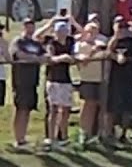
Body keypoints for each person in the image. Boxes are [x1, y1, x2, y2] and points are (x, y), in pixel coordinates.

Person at [38, 18, 77, 148]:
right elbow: (50, 58)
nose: (62, 33)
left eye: (64, 30)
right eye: (59, 31)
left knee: (66, 109)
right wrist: (62, 58)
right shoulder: (51, 43)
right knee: (53, 109)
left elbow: (74, 56)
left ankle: (64, 137)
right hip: (53, 78)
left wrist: (71, 58)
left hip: (66, 79)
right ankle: (50, 137)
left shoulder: (70, 42)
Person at [104, 17, 132, 145]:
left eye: (124, 26)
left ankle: (123, 134)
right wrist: (116, 36)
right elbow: (108, 51)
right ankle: (108, 133)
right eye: (120, 26)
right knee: (111, 107)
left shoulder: (130, 40)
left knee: (127, 107)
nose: (122, 29)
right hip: (115, 77)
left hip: (128, 76)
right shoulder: (112, 39)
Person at [8, 19, 43, 148]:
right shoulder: (18, 41)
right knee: (20, 109)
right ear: (23, 27)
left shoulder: (36, 43)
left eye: (32, 26)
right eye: (28, 26)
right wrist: (35, 58)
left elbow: (44, 55)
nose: (30, 28)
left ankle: (23, 137)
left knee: (28, 109)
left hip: (33, 81)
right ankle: (18, 138)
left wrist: (37, 58)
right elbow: (19, 54)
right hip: (21, 80)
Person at [74, 19, 108, 145]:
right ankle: (83, 133)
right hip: (87, 79)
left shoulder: (101, 44)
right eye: (90, 31)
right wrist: (94, 50)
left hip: (100, 79)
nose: (92, 34)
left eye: (95, 31)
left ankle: (98, 134)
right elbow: (83, 61)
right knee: (87, 106)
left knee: (99, 106)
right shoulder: (80, 46)